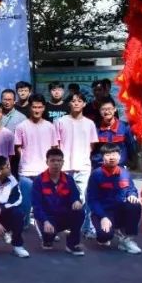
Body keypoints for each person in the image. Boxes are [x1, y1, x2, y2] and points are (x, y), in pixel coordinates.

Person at [87, 143, 142, 254]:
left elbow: (131, 189)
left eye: (114, 154)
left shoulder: (124, 173)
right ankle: (106, 234)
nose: (111, 157)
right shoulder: (96, 175)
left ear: (119, 156)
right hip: (103, 212)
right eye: (108, 155)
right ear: (102, 157)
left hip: (119, 211)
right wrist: (103, 217)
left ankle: (127, 239)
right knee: (104, 236)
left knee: (135, 205)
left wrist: (132, 195)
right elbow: (92, 200)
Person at [56, 92, 99, 237]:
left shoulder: (90, 123)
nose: (76, 103)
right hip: (64, 167)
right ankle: (64, 225)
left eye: (79, 101)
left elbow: (92, 145)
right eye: (73, 101)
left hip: (83, 166)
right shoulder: (60, 121)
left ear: (84, 104)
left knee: (84, 198)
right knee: (62, 198)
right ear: (69, 103)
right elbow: (56, 144)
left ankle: (87, 228)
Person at [32, 148, 87, 256]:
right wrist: (45, 221)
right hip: (47, 218)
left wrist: (76, 201)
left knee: (80, 212)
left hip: (63, 215)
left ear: (63, 162)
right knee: (48, 242)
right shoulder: (39, 180)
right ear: (47, 162)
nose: (56, 163)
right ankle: (45, 234)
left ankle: (72, 244)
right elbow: (36, 206)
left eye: (59, 160)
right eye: (52, 160)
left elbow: (75, 195)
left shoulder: (69, 179)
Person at [14, 94, 59, 223]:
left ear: (44, 108)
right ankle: (24, 227)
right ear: (30, 107)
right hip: (26, 171)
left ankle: (47, 227)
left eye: (39, 107)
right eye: (34, 107)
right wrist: (25, 159)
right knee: (25, 203)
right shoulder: (21, 126)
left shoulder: (50, 126)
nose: (37, 110)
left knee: (47, 203)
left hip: (45, 171)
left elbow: (54, 147)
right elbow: (18, 147)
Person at [92, 97, 136, 168]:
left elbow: (131, 147)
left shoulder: (125, 127)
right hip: (99, 166)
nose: (106, 112)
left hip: (119, 166)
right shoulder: (95, 128)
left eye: (109, 109)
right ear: (99, 111)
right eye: (103, 109)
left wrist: (131, 162)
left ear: (115, 109)